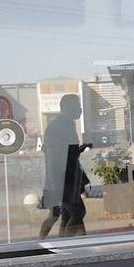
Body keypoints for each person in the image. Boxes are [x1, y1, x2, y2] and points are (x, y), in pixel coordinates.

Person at [39, 94, 89, 238]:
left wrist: (79, 149)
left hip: (64, 177)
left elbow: (66, 152)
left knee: (63, 215)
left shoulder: (67, 125)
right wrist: (56, 184)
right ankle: (63, 243)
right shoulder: (58, 127)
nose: (80, 110)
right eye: (77, 106)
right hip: (61, 178)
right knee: (77, 213)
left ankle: (55, 242)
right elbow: (54, 156)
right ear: (67, 107)